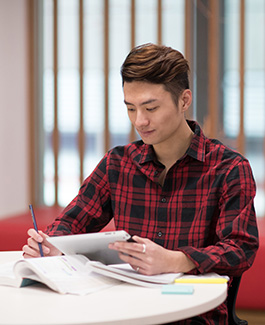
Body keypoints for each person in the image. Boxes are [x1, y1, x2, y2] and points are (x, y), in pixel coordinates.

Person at [23, 43, 259, 324]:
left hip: (193, 315)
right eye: (131, 108)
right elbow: (71, 223)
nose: (140, 120)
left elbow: (240, 248)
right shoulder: (118, 163)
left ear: (184, 101)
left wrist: (177, 260)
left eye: (151, 107)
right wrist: (52, 244)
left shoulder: (229, 167)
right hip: (124, 310)